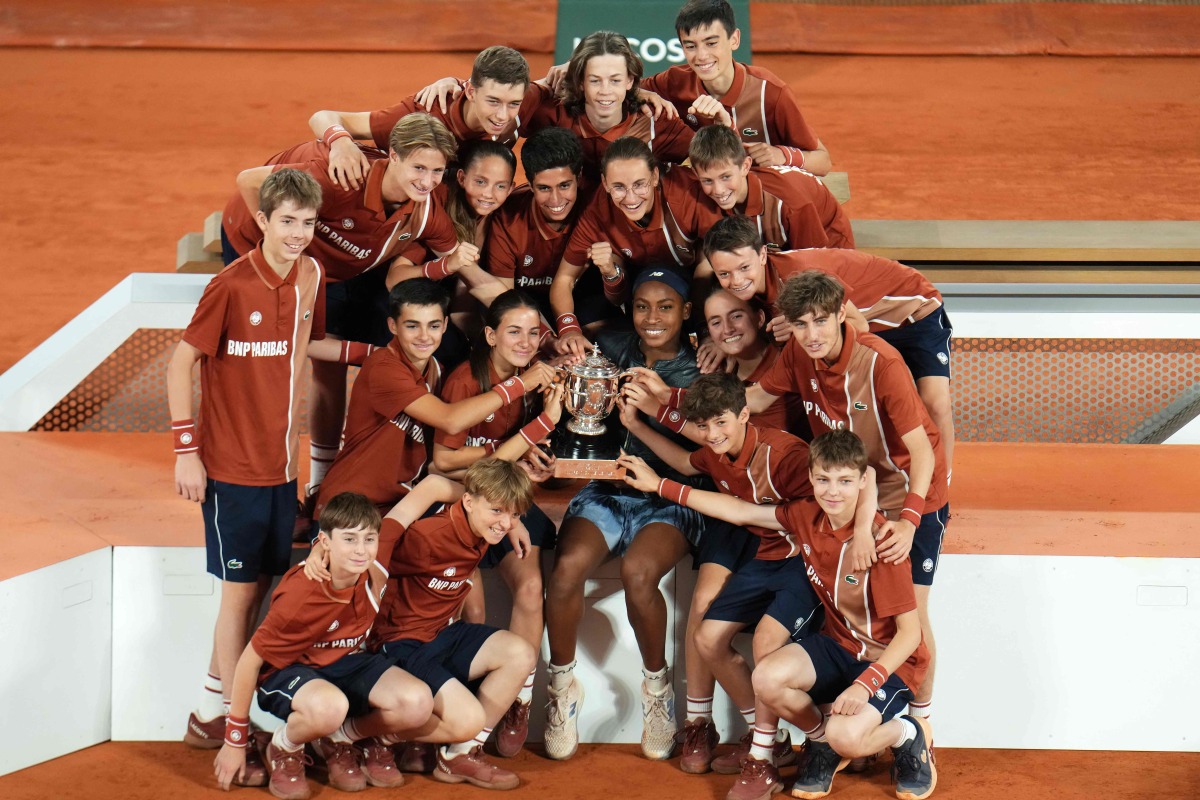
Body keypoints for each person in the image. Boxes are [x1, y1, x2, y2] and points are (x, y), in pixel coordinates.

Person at [618, 430, 936, 800]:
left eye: (845, 481)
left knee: (846, 735)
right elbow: (741, 511)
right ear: (811, 478)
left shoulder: (882, 544)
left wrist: (866, 683)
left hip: (888, 662)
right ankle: (821, 742)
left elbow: (911, 635)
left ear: (864, 482)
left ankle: (909, 732)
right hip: (839, 649)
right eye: (823, 480)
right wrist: (660, 485)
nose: (832, 492)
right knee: (767, 677)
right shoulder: (807, 516)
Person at [222, 114, 489, 516]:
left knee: (322, 366)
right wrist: (284, 258)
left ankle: (318, 484)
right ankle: (259, 481)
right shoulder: (342, 176)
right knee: (276, 366)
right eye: (418, 168)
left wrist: (530, 323)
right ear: (392, 155)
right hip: (266, 246)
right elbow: (250, 181)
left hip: (329, 266)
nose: (428, 181)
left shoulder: (425, 212)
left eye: (436, 172)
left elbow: (466, 270)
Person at [619, 372, 871, 782]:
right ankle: (773, 739)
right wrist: (636, 426)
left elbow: (845, 488)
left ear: (742, 414)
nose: (713, 434)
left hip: (804, 560)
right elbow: (688, 462)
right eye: (703, 426)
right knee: (706, 637)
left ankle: (768, 754)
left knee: (765, 643)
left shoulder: (786, 455)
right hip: (766, 554)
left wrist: (863, 533)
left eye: (721, 423)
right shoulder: (716, 450)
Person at [170, 169, 331, 783]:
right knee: (240, 594)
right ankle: (225, 717)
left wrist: (369, 357)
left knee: (263, 584)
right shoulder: (228, 286)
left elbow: (302, 354)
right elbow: (182, 362)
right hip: (230, 470)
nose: (297, 234)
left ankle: (213, 707)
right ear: (261, 221)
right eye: (286, 221)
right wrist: (187, 450)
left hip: (281, 469)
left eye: (308, 224)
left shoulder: (313, 276)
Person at [745, 271, 949, 729]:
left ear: (842, 314)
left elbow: (922, 453)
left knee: (912, 618)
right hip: (849, 494)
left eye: (821, 321)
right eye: (800, 325)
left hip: (908, 497)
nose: (811, 335)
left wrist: (910, 521)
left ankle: (920, 726)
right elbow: (754, 399)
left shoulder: (881, 364)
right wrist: (676, 405)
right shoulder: (799, 354)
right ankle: (840, 724)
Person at [543, 267, 704, 763]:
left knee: (639, 573)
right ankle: (562, 690)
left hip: (670, 496)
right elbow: (568, 346)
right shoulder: (614, 348)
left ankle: (657, 693)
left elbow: (704, 453)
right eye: (641, 306)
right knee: (566, 568)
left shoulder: (701, 368)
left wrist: (653, 409)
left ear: (686, 312)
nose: (652, 318)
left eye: (665, 307)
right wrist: (567, 340)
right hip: (606, 490)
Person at [212, 484, 458, 798]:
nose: (361, 550)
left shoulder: (375, 562)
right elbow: (250, 660)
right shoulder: (302, 594)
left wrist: (507, 511)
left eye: (369, 539)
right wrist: (235, 738)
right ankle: (285, 746)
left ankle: (340, 739)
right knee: (331, 707)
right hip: (289, 672)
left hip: (344, 662)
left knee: (418, 702)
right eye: (350, 539)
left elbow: (426, 492)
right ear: (326, 542)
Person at [432, 290, 566, 755]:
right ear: (490, 335)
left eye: (534, 333)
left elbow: (519, 462)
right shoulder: (465, 381)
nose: (526, 342)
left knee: (531, 589)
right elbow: (444, 464)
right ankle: (460, 700)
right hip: (463, 505)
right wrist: (538, 429)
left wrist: (539, 467)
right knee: (472, 609)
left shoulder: (541, 380)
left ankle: (518, 699)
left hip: (510, 504)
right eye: (514, 331)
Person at [705, 215, 954, 466]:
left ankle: (943, 489)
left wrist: (798, 326)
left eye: (744, 268)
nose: (736, 281)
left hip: (914, 313)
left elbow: (859, 326)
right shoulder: (749, 291)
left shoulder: (799, 277)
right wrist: (716, 339)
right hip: (860, 326)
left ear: (762, 255)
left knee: (934, 403)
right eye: (725, 273)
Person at [314, 278, 556, 524]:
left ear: (444, 326)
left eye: (433, 325)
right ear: (393, 326)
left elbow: (437, 465)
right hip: (351, 505)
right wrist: (521, 385)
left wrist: (513, 458)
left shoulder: (437, 371)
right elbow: (450, 420)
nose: (424, 336)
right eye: (412, 326)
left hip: (404, 501)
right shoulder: (383, 368)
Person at [370, 458, 541, 790]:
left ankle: (459, 755)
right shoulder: (427, 538)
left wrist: (510, 518)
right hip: (400, 644)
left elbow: (488, 498)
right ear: (467, 501)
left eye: (514, 514)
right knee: (468, 719)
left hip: (440, 635)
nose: (505, 523)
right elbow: (378, 544)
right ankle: (371, 738)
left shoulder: (482, 527)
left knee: (520, 652)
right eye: (498, 511)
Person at [550, 136, 723, 358]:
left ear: (654, 176)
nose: (630, 197)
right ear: (604, 183)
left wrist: (708, 331)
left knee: (708, 266)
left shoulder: (686, 192)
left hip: (693, 279)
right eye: (619, 187)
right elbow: (564, 279)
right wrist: (568, 330)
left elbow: (724, 257)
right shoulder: (597, 211)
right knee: (589, 314)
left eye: (639, 184)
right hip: (635, 286)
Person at [307, 46, 539, 192]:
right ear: (470, 92)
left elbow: (562, 78)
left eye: (513, 104)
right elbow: (324, 117)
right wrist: (341, 143)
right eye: (493, 101)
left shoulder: (524, 98)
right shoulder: (425, 113)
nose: (502, 115)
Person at [644, 0, 832, 175]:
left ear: (734, 39)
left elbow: (823, 162)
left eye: (711, 43)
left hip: (760, 196)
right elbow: (623, 88)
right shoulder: (675, 81)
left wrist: (782, 155)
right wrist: (643, 93)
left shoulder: (771, 92)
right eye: (691, 46)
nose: (701, 56)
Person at [527, 31, 706, 188]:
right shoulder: (554, 113)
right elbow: (506, 112)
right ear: (580, 81)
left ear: (629, 80)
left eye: (615, 80)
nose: (605, 91)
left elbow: (709, 159)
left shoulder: (655, 118)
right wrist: (544, 84)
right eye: (595, 80)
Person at [485, 127, 592, 341]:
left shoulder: (594, 205)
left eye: (564, 185)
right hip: (525, 301)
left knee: (605, 341)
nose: (555, 200)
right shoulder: (508, 218)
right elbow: (505, 298)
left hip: (581, 299)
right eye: (544, 188)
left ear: (579, 177)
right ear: (530, 185)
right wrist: (546, 340)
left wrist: (569, 329)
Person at [690, 124, 853, 252]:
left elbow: (815, 268)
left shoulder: (791, 203)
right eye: (707, 181)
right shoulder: (707, 196)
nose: (718, 190)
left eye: (726, 177)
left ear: (745, 166)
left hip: (831, 255)